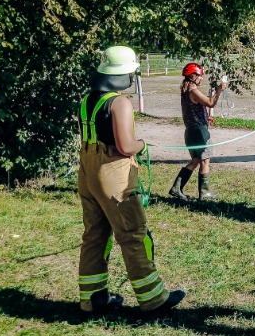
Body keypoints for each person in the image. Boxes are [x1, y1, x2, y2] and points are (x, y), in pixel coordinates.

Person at [78, 45, 185, 314]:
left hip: (87, 169)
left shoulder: (88, 100)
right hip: (113, 173)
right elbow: (126, 146)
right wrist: (142, 144)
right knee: (133, 233)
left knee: (95, 234)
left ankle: (92, 298)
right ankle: (153, 299)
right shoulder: (119, 102)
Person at [169, 62, 225, 201]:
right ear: (193, 77)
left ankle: (176, 188)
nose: (202, 79)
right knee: (205, 161)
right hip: (199, 132)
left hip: (190, 131)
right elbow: (210, 102)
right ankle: (204, 193)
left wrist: (205, 117)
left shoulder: (185, 91)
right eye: (200, 76)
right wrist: (219, 89)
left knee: (195, 161)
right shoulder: (193, 91)